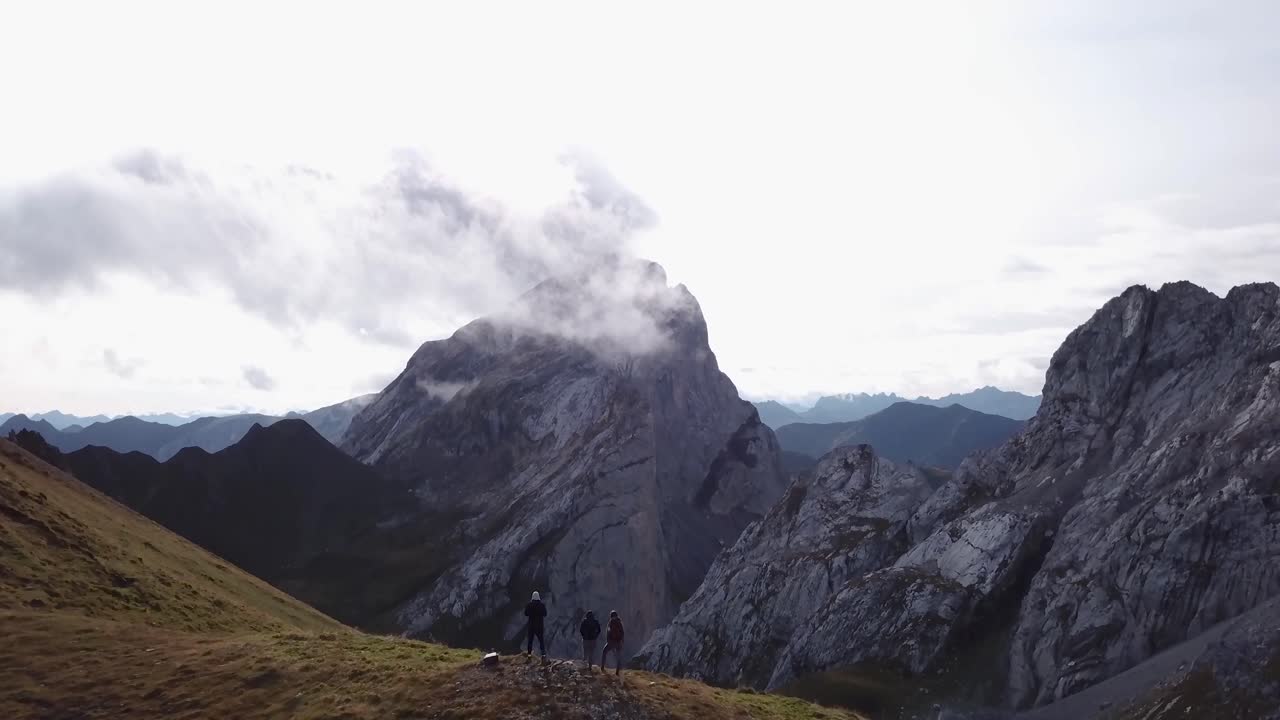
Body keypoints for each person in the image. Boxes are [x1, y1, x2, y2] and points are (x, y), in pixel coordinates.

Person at [601, 610, 625, 676]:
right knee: (618, 656)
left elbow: (608, 632)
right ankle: (617, 671)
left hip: (611, 642)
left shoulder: (610, 622)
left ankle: (602, 667)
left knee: (604, 651)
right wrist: (622, 641)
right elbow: (622, 632)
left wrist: (608, 641)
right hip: (618, 642)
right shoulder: (619, 622)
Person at [524, 591, 547, 658]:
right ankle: (543, 654)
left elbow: (526, 613)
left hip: (531, 625)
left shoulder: (529, 605)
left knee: (530, 640)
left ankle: (529, 654)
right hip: (539, 626)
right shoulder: (542, 605)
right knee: (541, 640)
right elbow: (545, 614)